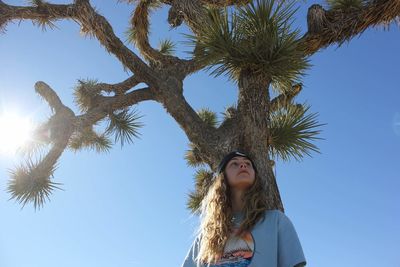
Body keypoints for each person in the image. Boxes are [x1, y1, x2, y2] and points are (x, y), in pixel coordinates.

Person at [181, 151, 306, 267]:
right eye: (234, 163)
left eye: (248, 164)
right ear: (222, 176)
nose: (243, 165)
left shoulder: (276, 221)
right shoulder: (206, 236)